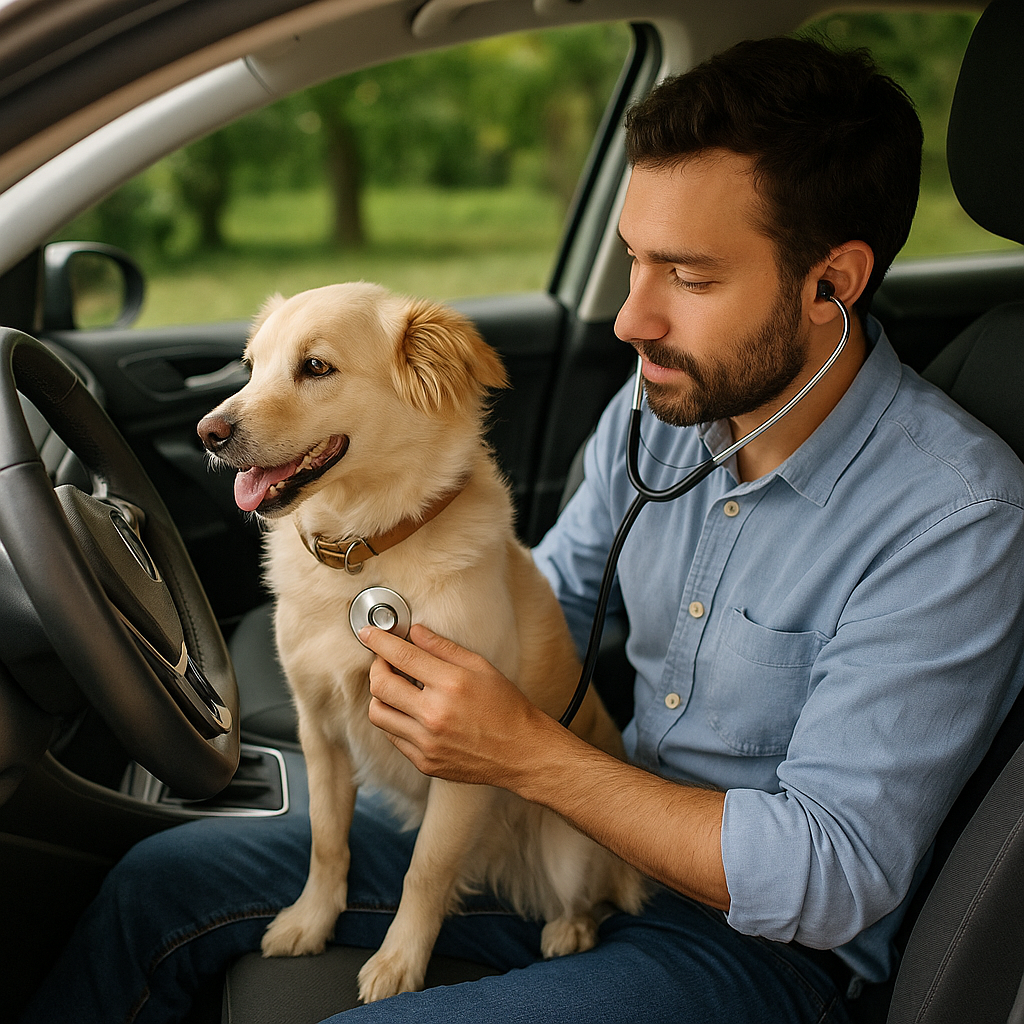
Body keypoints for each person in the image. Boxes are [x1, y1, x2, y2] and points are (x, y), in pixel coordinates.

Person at [20, 34, 1024, 1024]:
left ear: (831, 284)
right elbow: (551, 603)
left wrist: (528, 755)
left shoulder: (952, 519)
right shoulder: (660, 417)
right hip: (566, 829)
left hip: (758, 949)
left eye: (689, 276)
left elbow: (830, 875)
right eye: (634, 260)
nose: (632, 319)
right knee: (157, 880)